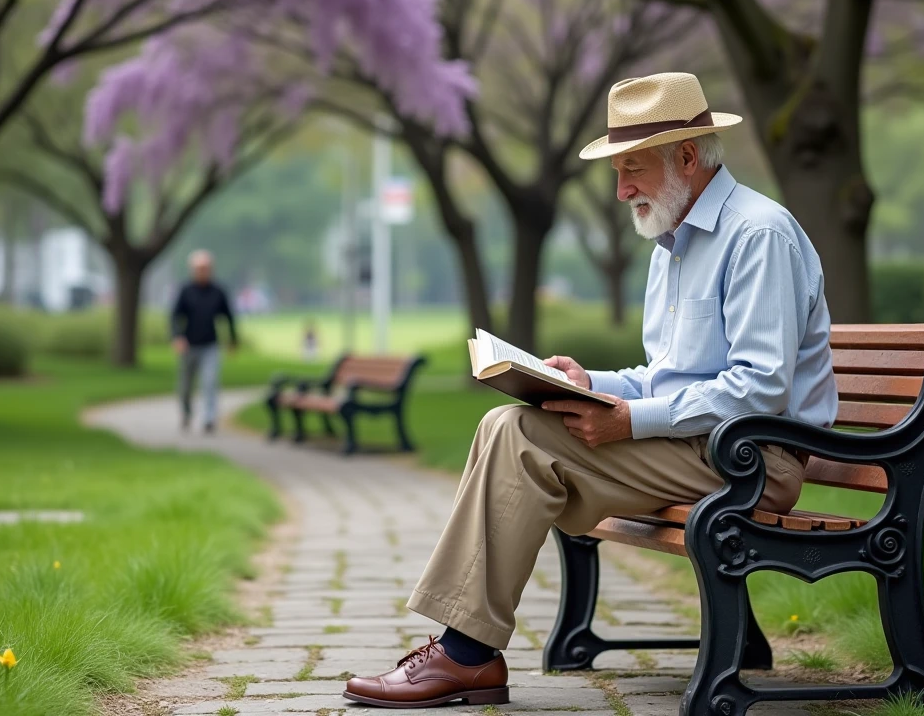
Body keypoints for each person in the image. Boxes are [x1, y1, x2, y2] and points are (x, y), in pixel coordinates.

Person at [342, 73, 839, 708]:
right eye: (617, 171)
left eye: (633, 169)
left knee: (519, 437)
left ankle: (465, 657)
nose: (621, 189)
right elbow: (667, 375)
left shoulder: (758, 235)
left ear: (688, 157)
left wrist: (629, 420)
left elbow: (759, 389)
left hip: (755, 459)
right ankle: (465, 652)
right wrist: (590, 384)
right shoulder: (672, 244)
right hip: (702, 446)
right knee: (503, 424)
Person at [171, 250, 238, 433]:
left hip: (210, 345)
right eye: (199, 268)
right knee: (186, 385)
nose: (203, 271)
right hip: (189, 345)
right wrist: (177, 337)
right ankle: (186, 413)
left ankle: (209, 419)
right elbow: (175, 316)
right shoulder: (186, 291)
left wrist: (232, 339)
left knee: (210, 382)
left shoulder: (217, 291)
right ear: (193, 270)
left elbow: (228, 316)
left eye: (206, 268)